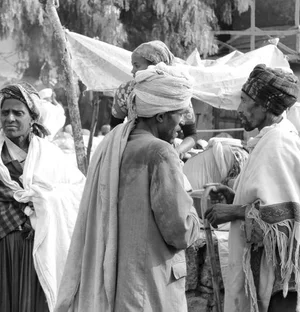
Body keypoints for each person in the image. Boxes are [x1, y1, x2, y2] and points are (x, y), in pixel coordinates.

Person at [56, 63, 201, 312]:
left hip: (117, 286)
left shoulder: (113, 145)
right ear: (160, 115)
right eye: (179, 115)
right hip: (149, 291)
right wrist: (197, 207)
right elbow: (180, 231)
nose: (181, 125)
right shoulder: (161, 152)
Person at [205, 64, 300, 312]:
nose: (239, 109)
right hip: (277, 271)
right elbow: (269, 197)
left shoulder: (278, 142)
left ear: (266, 105)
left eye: (246, 101)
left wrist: (235, 212)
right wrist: (235, 197)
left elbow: (290, 215)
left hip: (288, 282)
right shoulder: (269, 139)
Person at [0, 83, 86, 312]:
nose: (10, 118)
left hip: (39, 247)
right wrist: (22, 209)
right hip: (1, 247)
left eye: (18, 113)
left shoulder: (50, 155)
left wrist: (42, 199)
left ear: (32, 118)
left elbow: (78, 191)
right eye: (5, 112)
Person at [110, 40, 197, 158]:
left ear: (156, 65)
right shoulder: (126, 91)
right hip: (134, 153)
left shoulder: (178, 95)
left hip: (166, 155)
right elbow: (114, 129)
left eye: (136, 65)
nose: (132, 70)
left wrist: (177, 152)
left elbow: (191, 135)